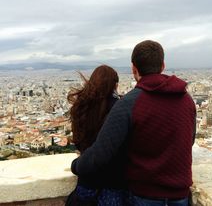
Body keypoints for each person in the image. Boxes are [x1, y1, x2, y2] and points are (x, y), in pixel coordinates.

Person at [71, 40, 196, 206]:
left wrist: (76, 165)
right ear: (163, 65)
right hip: (180, 195)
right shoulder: (186, 100)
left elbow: (101, 153)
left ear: (134, 69)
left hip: (144, 195)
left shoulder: (129, 103)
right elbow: (190, 140)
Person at [66, 65, 129, 206]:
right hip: (113, 180)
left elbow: (78, 141)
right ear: (116, 85)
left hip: (87, 178)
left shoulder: (81, 107)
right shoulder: (119, 108)